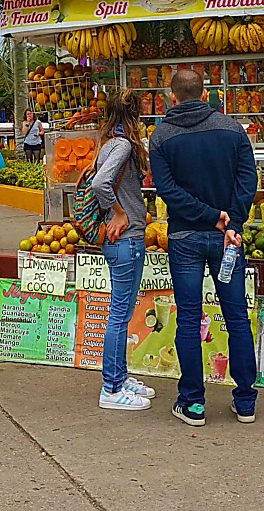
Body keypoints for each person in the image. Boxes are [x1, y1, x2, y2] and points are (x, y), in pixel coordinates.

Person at [149, 70, 258, 426]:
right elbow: (248, 180)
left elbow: (167, 191)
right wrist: (231, 223)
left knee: (189, 318)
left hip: (185, 239)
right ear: (205, 93)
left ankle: (193, 402)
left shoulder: (161, 136)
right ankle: (245, 402)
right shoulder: (232, 128)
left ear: (172, 95)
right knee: (237, 317)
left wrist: (211, 217)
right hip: (228, 239)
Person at [91, 89, 155, 411]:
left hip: (122, 240)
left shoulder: (108, 143)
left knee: (122, 312)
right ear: (135, 114)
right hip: (126, 238)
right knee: (119, 315)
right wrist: (120, 212)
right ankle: (112, 388)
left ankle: (119, 376)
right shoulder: (123, 145)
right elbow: (100, 184)